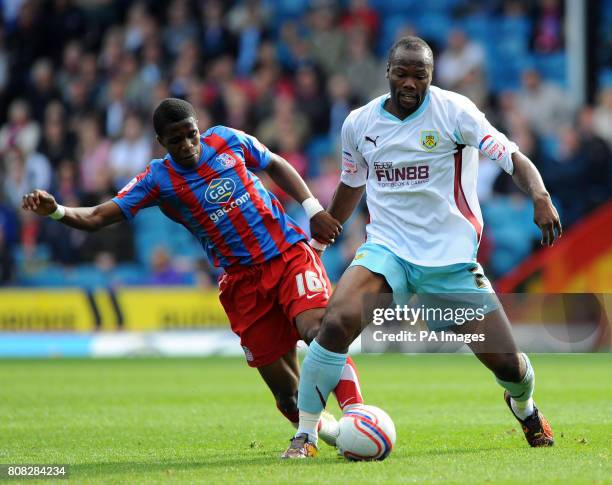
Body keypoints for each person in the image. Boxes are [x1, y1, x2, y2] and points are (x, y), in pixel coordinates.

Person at [22, 98, 363, 454]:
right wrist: (57, 210)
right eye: (176, 140)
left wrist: (312, 210)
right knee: (286, 393)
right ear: (161, 143)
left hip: (288, 255)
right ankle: (326, 433)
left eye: (191, 134)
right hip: (242, 283)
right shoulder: (158, 180)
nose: (187, 145)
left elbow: (274, 163)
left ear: (199, 128)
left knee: (318, 330)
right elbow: (96, 217)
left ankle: (352, 416)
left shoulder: (227, 140)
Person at [284, 37, 561, 457]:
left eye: (421, 74)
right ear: (388, 72)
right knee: (335, 324)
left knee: (509, 366)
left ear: (431, 75)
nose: (411, 83)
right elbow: (352, 183)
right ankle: (304, 435)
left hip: (448, 264)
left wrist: (540, 197)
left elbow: (514, 159)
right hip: (387, 251)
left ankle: (524, 406)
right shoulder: (359, 124)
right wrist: (322, 238)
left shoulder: (455, 112)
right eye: (402, 73)